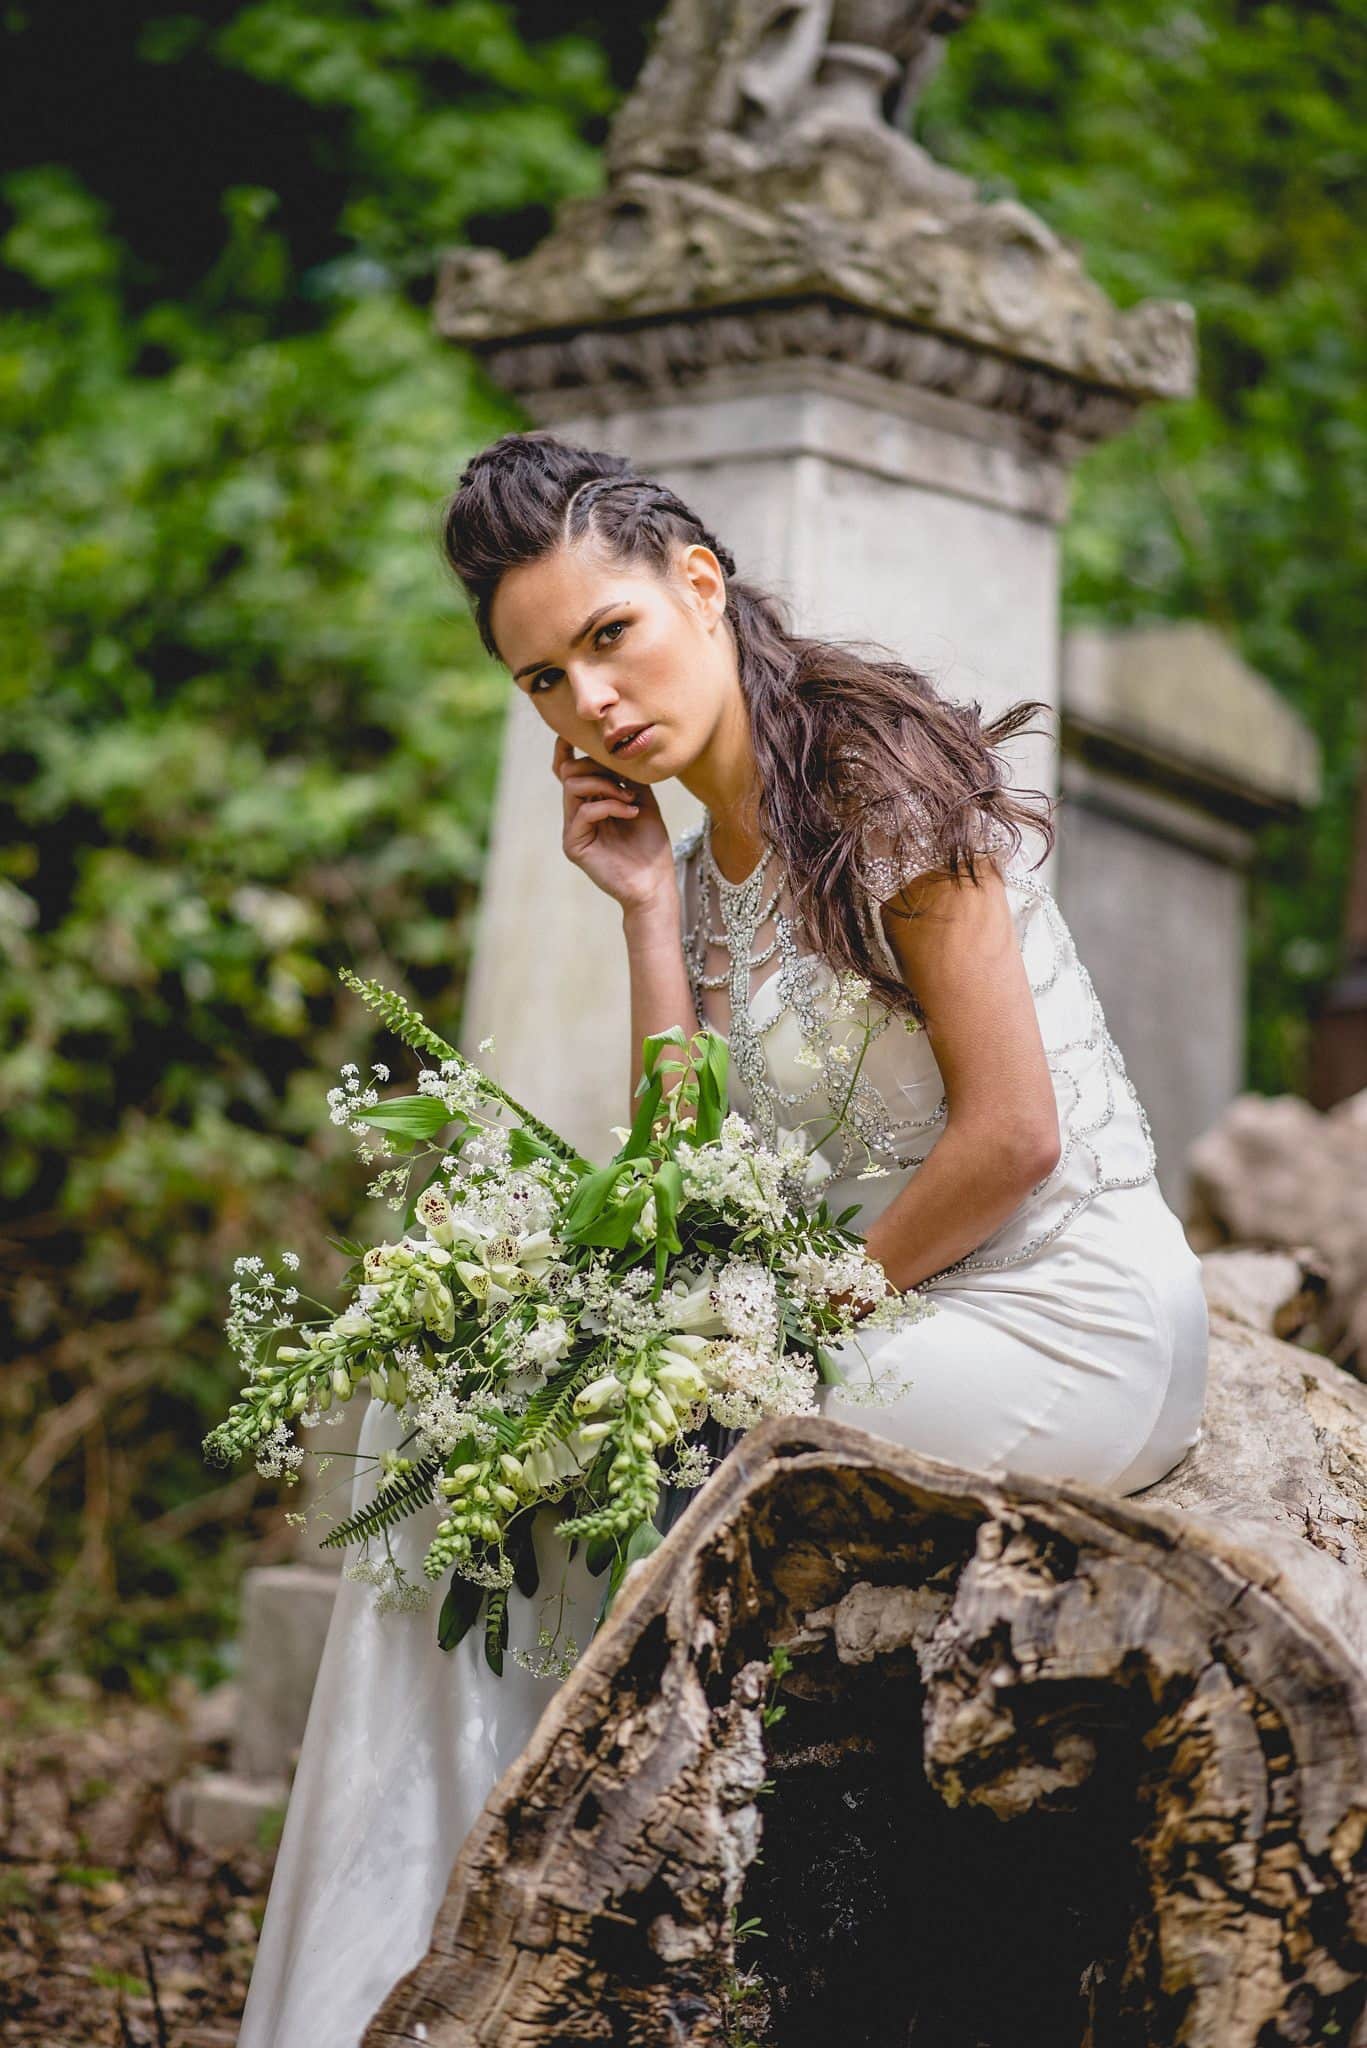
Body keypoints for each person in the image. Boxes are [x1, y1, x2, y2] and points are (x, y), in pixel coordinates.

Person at [237, 429, 1208, 2046]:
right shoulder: (694, 866)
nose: (589, 703)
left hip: (1061, 1315)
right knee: (461, 1436)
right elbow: (689, 1181)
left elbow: (1014, 1138)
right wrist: (635, 909)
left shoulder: (883, 780)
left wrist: (793, 1320)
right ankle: (405, 1976)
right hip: (882, 1326)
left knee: (640, 1435)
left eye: (605, 637)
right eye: (542, 681)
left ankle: (617, 1952)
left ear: (698, 582)